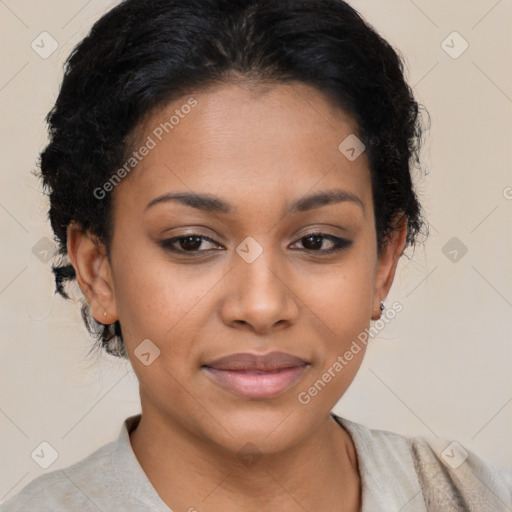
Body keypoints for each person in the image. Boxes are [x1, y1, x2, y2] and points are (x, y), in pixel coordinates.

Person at [1, 0, 510, 511]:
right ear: (98, 271)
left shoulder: (466, 497)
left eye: (316, 241)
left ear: (383, 262)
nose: (262, 306)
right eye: (192, 242)